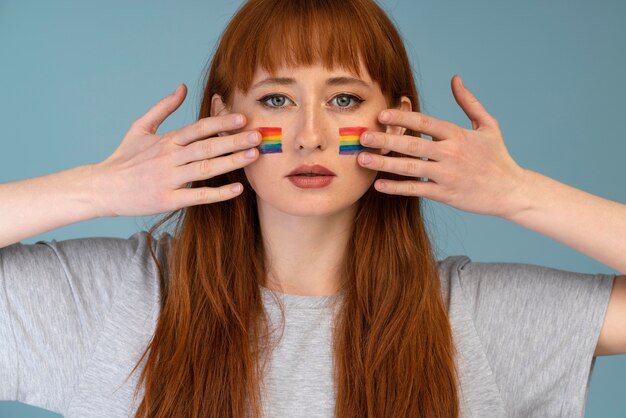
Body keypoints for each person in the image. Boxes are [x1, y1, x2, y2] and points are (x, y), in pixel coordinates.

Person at [0, 0, 624, 417]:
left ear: (398, 121)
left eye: (345, 98)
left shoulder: (470, 316)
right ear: (222, 121)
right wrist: (96, 190)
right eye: (275, 100)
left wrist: (518, 193)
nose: (309, 135)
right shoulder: (112, 299)